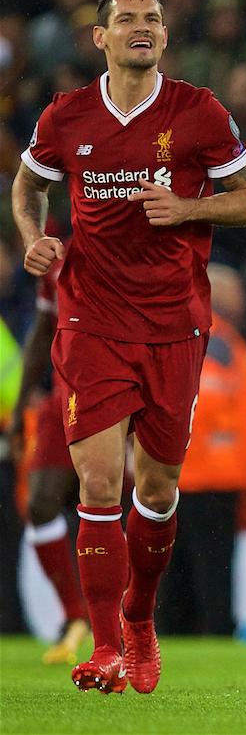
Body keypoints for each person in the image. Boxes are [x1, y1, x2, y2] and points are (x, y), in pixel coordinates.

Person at [11, 0, 246, 694]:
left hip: (174, 322)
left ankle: (139, 620)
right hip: (90, 317)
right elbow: (27, 186)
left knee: (156, 491)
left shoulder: (198, 111)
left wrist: (187, 205)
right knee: (98, 480)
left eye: (152, 19)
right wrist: (35, 240)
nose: (141, 28)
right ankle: (103, 649)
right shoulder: (67, 115)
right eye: (126, 20)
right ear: (100, 37)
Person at [157, 264, 246, 636]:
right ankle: (213, 630)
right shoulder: (216, 340)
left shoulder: (207, 336)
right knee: (212, 568)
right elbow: (204, 404)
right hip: (210, 474)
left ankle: (177, 631)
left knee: (179, 567)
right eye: (236, 291)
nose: (243, 299)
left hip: (188, 472)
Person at [7, 253, 90, 663]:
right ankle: (75, 616)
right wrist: (22, 406)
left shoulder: (129, 248)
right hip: (64, 398)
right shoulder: (57, 262)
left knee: (124, 502)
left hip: (119, 394)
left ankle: (129, 619)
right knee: (39, 503)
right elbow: (43, 333)